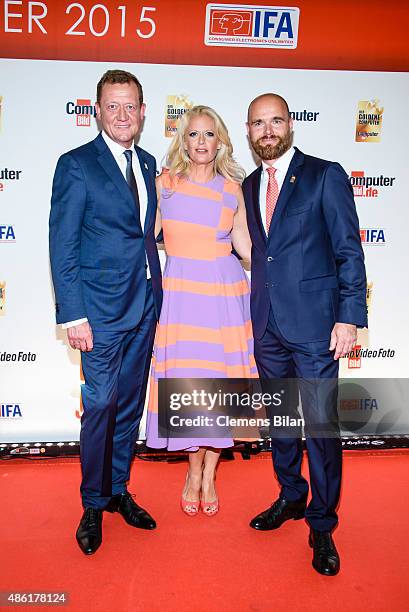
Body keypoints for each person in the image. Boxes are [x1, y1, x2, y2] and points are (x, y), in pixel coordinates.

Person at [243, 94, 367, 575]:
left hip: (317, 327)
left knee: (320, 427)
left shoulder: (323, 174)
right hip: (268, 325)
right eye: (258, 123)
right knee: (281, 424)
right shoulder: (251, 183)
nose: (267, 130)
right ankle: (291, 496)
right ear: (249, 131)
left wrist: (350, 315)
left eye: (275, 121)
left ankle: (322, 523)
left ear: (291, 125)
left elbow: (348, 250)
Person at [49, 70, 162, 555]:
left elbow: (145, 233)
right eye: (112, 106)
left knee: (130, 405)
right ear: (97, 110)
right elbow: (63, 244)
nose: (122, 115)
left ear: (142, 111)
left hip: (146, 304)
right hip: (98, 313)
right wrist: (73, 315)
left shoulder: (150, 161)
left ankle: (117, 490)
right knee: (99, 408)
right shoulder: (75, 164)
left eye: (130, 105)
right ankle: (93, 502)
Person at [145, 105, 256, 516]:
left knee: (220, 387)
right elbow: (142, 236)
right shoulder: (165, 185)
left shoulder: (233, 189)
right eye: (193, 134)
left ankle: (210, 475)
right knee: (190, 389)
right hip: (181, 298)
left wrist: (281, 275)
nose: (201, 142)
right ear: (183, 140)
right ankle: (193, 472)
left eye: (209, 134)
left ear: (221, 140)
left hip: (225, 294)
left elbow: (244, 245)